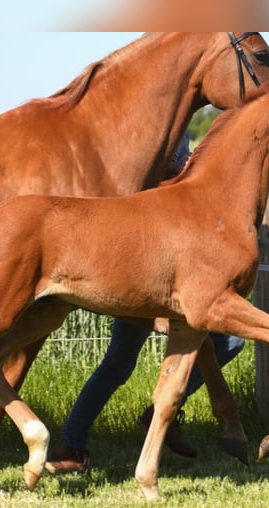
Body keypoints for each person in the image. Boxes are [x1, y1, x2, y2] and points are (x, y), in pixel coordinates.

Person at [46, 133, 245, 472]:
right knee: (124, 362)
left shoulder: (176, 126)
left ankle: (149, 418)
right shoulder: (155, 130)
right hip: (149, 258)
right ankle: (75, 442)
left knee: (128, 361)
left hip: (167, 254)